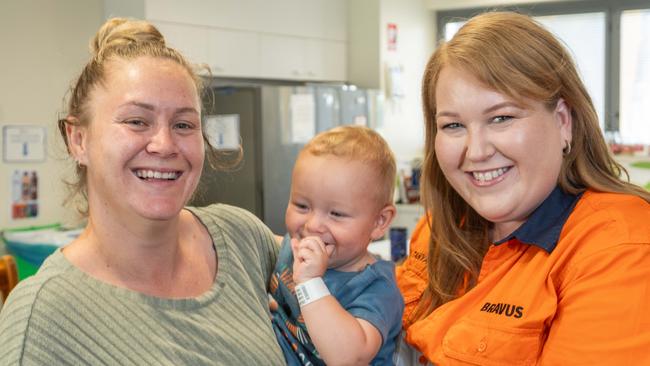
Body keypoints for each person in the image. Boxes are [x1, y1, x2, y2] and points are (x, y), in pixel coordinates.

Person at [0, 18, 285, 365]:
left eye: (183, 124)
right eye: (136, 121)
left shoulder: (243, 240)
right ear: (79, 140)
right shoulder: (44, 319)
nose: (165, 145)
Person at [395, 11, 650, 365]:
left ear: (562, 122)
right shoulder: (440, 228)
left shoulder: (618, 246)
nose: (477, 151)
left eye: (501, 118)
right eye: (453, 125)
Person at [269, 125, 405, 365]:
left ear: (379, 221)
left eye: (337, 214)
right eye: (302, 206)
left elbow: (349, 358)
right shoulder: (292, 248)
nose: (313, 225)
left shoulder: (376, 288)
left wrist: (310, 284)